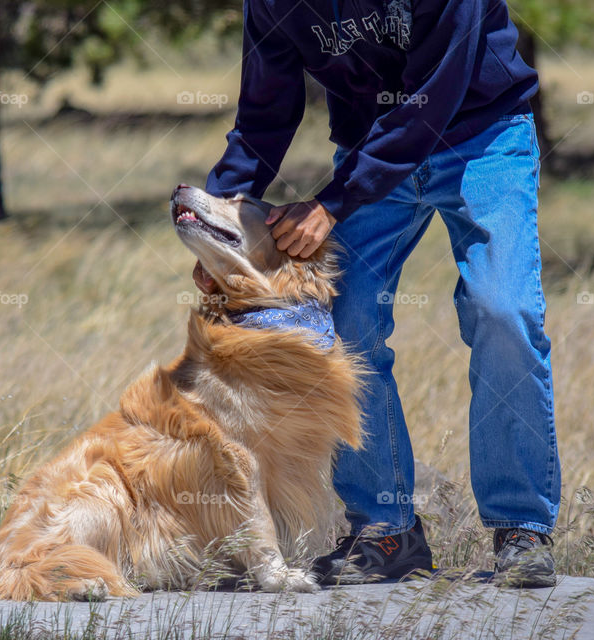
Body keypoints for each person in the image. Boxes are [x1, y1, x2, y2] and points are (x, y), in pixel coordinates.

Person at [195, 0, 561, 587]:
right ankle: (386, 529)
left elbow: (433, 101)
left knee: (504, 310)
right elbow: (265, 114)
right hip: (370, 152)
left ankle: (521, 529)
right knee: (343, 320)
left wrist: (333, 203)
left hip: (481, 137)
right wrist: (220, 235)